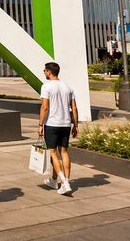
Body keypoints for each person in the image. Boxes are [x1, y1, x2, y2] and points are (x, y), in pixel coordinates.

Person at [39, 61, 78, 196]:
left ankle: (64, 183)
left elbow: (45, 107)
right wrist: (76, 125)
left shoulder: (46, 86)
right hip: (66, 124)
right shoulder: (68, 87)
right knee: (64, 152)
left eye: (45, 70)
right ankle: (56, 180)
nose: (44, 72)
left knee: (53, 153)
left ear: (49, 72)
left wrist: (40, 124)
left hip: (52, 124)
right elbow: (74, 108)